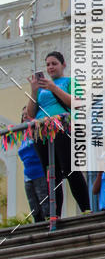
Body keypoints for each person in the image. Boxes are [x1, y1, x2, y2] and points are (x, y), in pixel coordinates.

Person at [26, 51, 90, 216]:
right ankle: (55, 214)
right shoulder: (40, 90)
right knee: (50, 173)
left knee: (70, 169)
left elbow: (75, 102)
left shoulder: (69, 81)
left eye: (54, 63)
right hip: (43, 131)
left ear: (63, 65)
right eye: (47, 64)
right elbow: (31, 114)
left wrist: (53, 87)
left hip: (63, 127)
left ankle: (86, 209)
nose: (50, 67)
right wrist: (33, 91)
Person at [17, 107, 62, 222]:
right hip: (28, 176)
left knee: (44, 203)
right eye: (23, 115)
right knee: (34, 206)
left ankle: (49, 222)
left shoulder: (39, 133)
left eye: (27, 114)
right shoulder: (23, 138)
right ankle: (38, 225)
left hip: (40, 173)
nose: (25, 117)